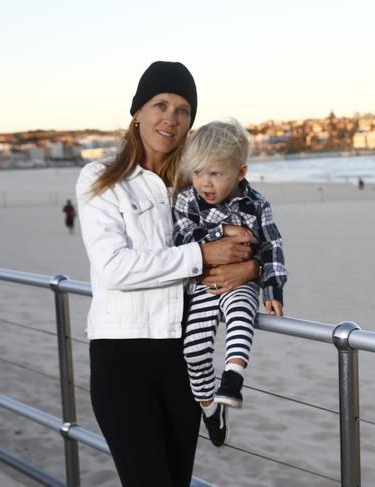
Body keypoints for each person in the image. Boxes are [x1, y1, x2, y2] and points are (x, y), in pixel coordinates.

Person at [75, 61, 259, 487]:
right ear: (138, 111)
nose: (171, 119)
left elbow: (252, 231)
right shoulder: (100, 179)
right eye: (160, 104)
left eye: (183, 110)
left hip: (182, 359)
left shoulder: (197, 185)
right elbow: (114, 267)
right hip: (121, 358)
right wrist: (202, 253)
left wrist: (251, 265)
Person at [172, 118, 287, 446]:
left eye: (215, 174)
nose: (204, 183)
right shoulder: (187, 201)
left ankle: (233, 379)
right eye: (198, 172)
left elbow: (272, 246)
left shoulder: (256, 205)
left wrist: (272, 289)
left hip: (242, 283)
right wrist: (221, 232)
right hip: (205, 283)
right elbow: (181, 238)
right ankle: (210, 410)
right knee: (193, 351)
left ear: (240, 172)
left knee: (240, 315)